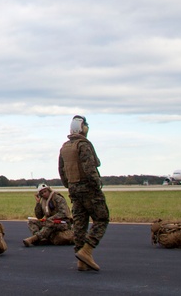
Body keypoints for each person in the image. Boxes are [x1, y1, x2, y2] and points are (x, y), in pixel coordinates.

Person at [58, 115, 109, 271]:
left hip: (74, 189)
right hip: (88, 189)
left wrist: (70, 186)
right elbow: (89, 168)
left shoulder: (65, 147)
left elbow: (62, 171)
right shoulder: (83, 145)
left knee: (80, 224)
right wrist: (96, 185)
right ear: (82, 128)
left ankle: (81, 261)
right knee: (101, 218)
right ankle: (87, 251)